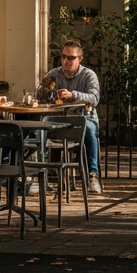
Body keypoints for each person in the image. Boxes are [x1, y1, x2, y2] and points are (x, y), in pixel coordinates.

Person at [36, 39, 102, 194]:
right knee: (39, 129)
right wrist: (47, 92)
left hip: (83, 118)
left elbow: (95, 98)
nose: (66, 61)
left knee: (91, 131)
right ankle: (40, 175)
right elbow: (40, 94)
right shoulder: (54, 74)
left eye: (71, 58)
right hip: (58, 119)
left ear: (80, 59)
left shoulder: (88, 75)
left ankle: (93, 176)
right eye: (64, 57)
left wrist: (73, 95)